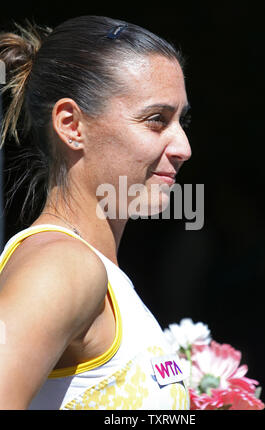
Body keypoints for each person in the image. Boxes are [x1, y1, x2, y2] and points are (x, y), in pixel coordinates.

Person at [0, 15, 192, 410]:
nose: (183, 147)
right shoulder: (61, 264)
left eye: (181, 121)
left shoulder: (96, 272)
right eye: (156, 120)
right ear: (72, 125)